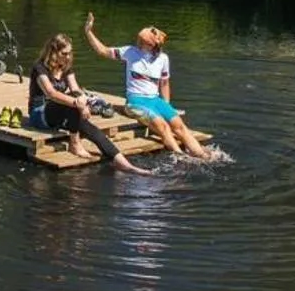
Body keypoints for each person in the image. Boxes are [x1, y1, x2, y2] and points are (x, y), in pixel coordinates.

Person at [83, 11, 214, 160]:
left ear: (150, 44)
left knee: (179, 126)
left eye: (142, 40)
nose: (138, 41)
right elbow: (103, 51)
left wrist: (166, 105)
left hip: (155, 100)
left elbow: (164, 83)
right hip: (135, 102)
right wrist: (88, 32)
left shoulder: (163, 58)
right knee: (162, 126)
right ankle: (181, 157)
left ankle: (202, 155)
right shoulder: (130, 52)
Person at [30, 34, 148, 174]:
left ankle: (123, 163)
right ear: (53, 52)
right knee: (73, 102)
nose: (68, 57)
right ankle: (75, 143)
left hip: (62, 111)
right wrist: (77, 103)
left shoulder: (65, 66)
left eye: (70, 53)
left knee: (91, 128)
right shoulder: (40, 68)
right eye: (64, 53)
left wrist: (83, 102)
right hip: (40, 114)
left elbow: (75, 89)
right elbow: (51, 94)